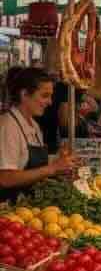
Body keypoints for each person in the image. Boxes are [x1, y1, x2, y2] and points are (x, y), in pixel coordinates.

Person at [0, 68, 78, 198]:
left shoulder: (33, 124)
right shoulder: (8, 126)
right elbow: (5, 178)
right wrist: (52, 168)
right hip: (9, 206)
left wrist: (57, 160)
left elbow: (29, 163)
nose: (50, 102)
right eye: (44, 95)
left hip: (29, 204)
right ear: (24, 94)